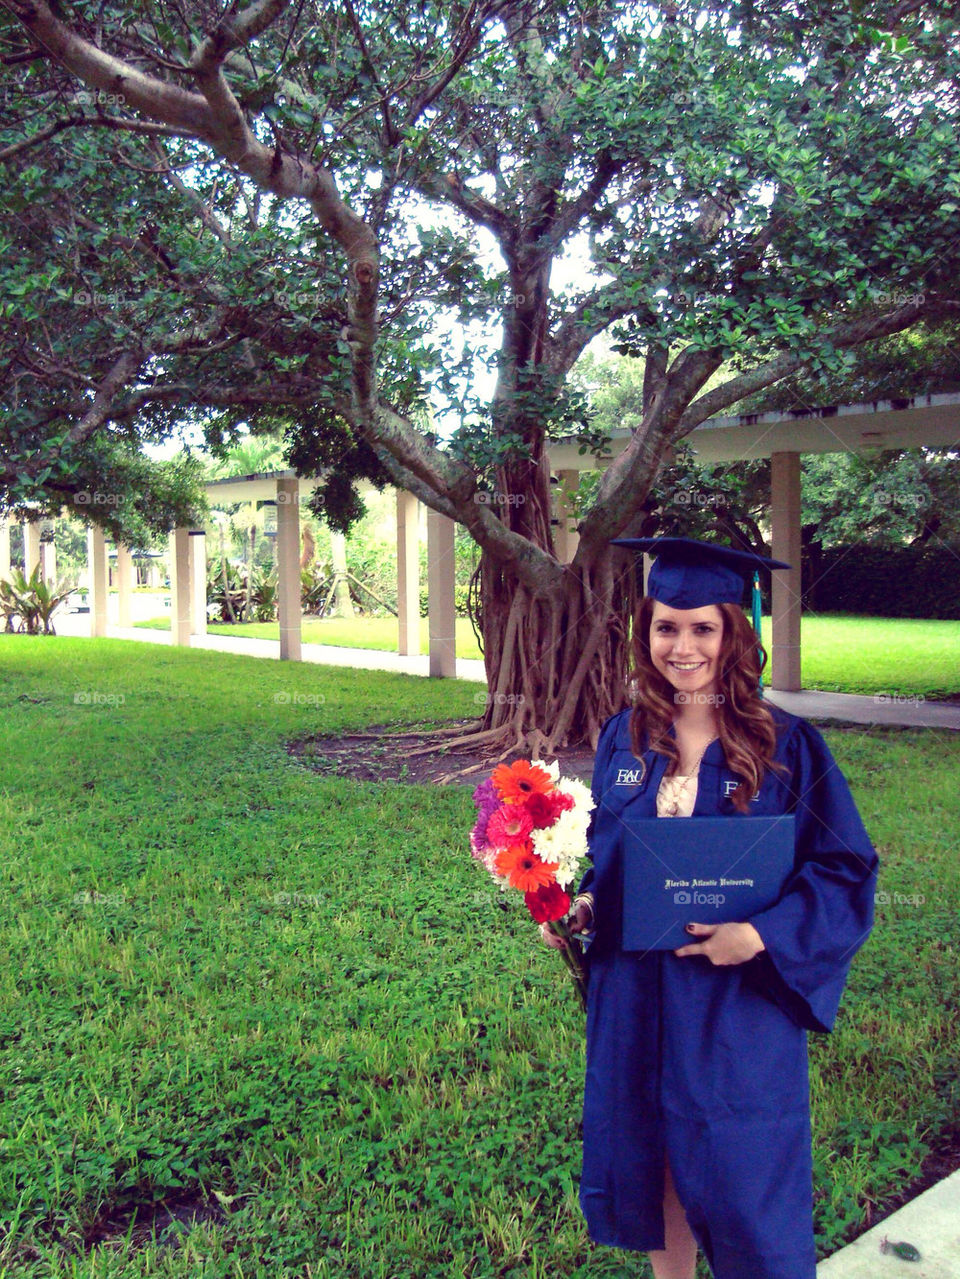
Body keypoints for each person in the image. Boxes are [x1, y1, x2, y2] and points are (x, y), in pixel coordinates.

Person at [540, 537, 878, 1279]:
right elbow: (616, 861)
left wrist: (760, 934)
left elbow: (846, 867)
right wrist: (586, 907)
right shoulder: (622, 740)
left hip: (734, 1001)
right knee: (651, 1153)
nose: (683, 645)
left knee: (741, 1175)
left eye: (703, 627)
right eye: (667, 625)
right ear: (645, 630)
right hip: (636, 994)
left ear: (733, 634)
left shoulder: (788, 746)